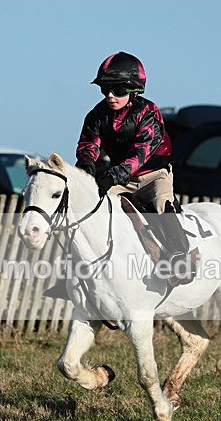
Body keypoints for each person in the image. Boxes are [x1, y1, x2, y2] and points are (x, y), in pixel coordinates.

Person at [74, 51, 195, 287]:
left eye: (118, 90)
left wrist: (113, 175)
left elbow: (141, 153)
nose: (110, 96)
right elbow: (89, 143)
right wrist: (87, 165)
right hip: (121, 177)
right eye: (105, 89)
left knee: (162, 205)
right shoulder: (97, 115)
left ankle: (180, 259)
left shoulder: (149, 112)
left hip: (154, 175)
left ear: (134, 90)